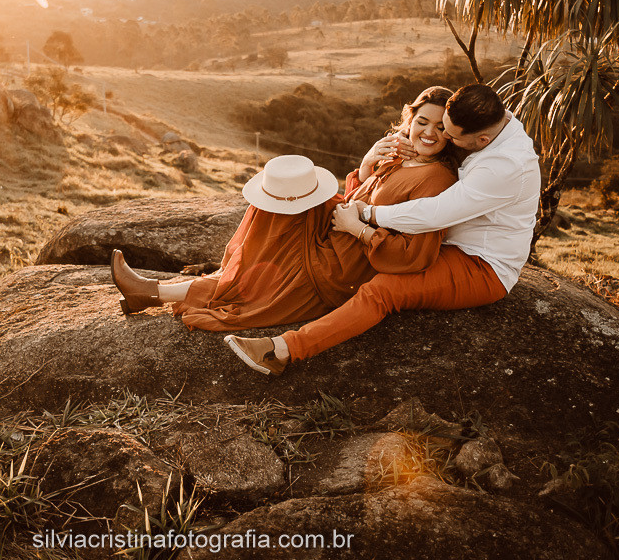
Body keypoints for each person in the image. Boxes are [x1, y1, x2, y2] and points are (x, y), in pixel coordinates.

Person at [110, 87, 462, 368]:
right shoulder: (398, 158)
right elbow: (360, 202)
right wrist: (369, 162)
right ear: (409, 120)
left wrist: (356, 230)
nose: (429, 132)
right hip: (335, 238)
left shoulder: (437, 179)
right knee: (277, 196)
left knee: (266, 269)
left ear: (452, 136)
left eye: (440, 127)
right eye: (422, 121)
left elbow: (414, 256)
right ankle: (150, 292)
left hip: (344, 267)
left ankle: (151, 292)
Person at [223, 83, 541, 375]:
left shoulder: (502, 168)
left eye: (451, 136)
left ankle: (281, 351)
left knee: (383, 292)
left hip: (480, 264)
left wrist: (370, 216)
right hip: (447, 244)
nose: (446, 138)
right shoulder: (494, 118)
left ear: (481, 141)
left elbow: (435, 213)